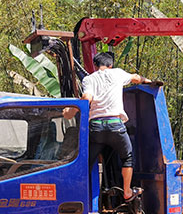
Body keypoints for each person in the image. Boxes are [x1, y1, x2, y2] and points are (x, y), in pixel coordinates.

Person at [64, 52, 151, 201]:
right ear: (110, 65)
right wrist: (148, 81)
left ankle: (76, 193)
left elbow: (87, 98)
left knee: (85, 163)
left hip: (96, 128)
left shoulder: (89, 79)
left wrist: (70, 111)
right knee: (127, 157)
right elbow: (136, 77)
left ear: (96, 66)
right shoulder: (117, 73)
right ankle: (127, 191)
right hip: (115, 126)